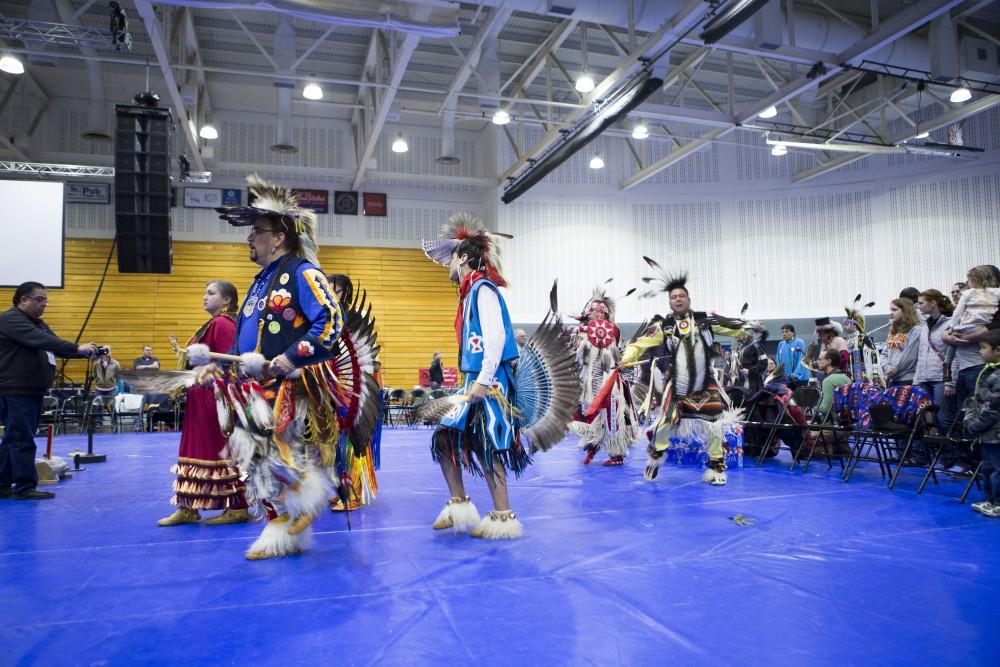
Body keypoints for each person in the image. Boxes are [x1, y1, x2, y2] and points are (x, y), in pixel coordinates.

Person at [214, 174, 345, 559]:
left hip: (287, 383)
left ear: (279, 237)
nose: (250, 238)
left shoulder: (303, 273)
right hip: (252, 385)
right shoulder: (260, 282)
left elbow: (331, 321)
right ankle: (281, 525)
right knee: (255, 460)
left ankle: (309, 498)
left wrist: (289, 358)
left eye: (258, 231)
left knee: (272, 453)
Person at [420, 212, 526, 538]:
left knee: (489, 444)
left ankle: (503, 517)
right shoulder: (470, 293)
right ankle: (458, 506)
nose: (446, 267)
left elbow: (495, 337)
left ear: (463, 258)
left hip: (489, 382)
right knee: (445, 438)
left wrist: (483, 379)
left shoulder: (483, 289)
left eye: (451, 258)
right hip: (475, 379)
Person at [622, 261, 760, 485]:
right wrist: (627, 357)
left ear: (688, 299)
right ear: (669, 301)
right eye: (673, 297)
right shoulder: (665, 326)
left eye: (681, 296)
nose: (677, 299)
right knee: (665, 425)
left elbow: (733, 328)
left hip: (706, 383)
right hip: (678, 385)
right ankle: (655, 458)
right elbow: (640, 343)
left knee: (714, 425)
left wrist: (749, 328)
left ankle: (716, 469)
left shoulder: (705, 319)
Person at [157, 280, 250, 526]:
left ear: (227, 300)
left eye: (211, 293)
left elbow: (231, 362)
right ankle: (187, 506)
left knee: (218, 451)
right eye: (204, 293)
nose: (204, 297)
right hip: (200, 396)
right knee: (192, 450)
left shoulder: (223, 323)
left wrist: (207, 370)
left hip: (213, 398)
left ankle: (237, 507)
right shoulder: (211, 324)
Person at [0, 282, 98, 500]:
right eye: (40, 299)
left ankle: (2, 483)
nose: (45, 304)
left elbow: (53, 345)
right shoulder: (10, 320)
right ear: (23, 300)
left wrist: (86, 352)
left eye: (46, 299)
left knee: (14, 437)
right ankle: (25, 487)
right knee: (22, 439)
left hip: (29, 390)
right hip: (15, 390)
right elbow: (42, 340)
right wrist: (76, 348)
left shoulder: (36, 323)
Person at [326, 272, 382, 513]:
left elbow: (364, 360)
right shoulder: (329, 318)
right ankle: (341, 487)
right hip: (335, 386)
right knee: (334, 437)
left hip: (354, 389)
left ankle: (353, 492)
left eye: (333, 288)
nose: (328, 292)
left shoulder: (349, 318)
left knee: (349, 437)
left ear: (344, 293)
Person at [569, 284, 639, 466]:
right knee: (588, 415)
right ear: (588, 312)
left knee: (611, 414)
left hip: (609, 380)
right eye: (594, 310)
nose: (599, 314)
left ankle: (617, 452)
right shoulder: (579, 331)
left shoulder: (612, 330)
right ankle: (593, 443)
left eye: (602, 312)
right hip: (588, 381)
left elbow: (616, 351)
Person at [964, 330, 1000, 517]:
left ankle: (998, 503)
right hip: (987, 433)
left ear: (998, 350)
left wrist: (976, 424)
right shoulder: (989, 370)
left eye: (984, 348)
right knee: (988, 468)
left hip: (994, 432)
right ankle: (991, 500)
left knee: (997, 470)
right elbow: (976, 400)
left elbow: (994, 406)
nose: (980, 352)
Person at [914, 289, 955, 434]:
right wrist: (917, 380)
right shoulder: (925, 326)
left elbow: (952, 355)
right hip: (925, 378)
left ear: (932, 303)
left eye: (921, 303)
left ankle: (950, 454)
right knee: (929, 420)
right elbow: (921, 354)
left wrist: (950, 381)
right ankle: (936, 452)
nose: (918, 306)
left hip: (941, 379)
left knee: (944, 418)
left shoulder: (949, 324)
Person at [882, 298, 923, 387]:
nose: (891, 313)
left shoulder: (916, 330)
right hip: (892, 378)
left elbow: (909, 356)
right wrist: (886, 367)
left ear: (905, 311)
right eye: (890, 309)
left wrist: (894, 370)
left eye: (895, 310)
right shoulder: (893, 331)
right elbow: (884, 354)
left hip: (908, 379)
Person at [949, 265, 1000, 336]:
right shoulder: (996, 292)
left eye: (968, 281)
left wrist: (951, 328)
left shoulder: (968, 293)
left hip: (968, 326)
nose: (967, 283)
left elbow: (957, 313)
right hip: (984, 326)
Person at [842, 298, 882, 386]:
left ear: (854, 325)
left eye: (847, 324)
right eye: (844, 325)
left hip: (865, 376)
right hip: (849, 376)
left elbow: (874, 353)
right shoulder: (845, 341)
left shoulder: (864, 338)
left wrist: (875, 373)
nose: (844, 327)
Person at [816, 350, 851, 420]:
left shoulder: (827, 381)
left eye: (820, 359)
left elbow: (825, 408)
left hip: (832, 424)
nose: (817, 362)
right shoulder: (846, 378)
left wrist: (816, 407)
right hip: (846, 422)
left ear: (829, 361)